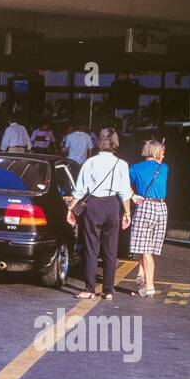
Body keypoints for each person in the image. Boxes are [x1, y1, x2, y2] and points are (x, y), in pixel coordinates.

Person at [66, 127, 132, 301]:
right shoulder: (122, 164)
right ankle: (108, 290)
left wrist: (70, 208)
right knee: (111, 249)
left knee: (91, 248)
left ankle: (89, 288)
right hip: (112, 205)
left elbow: (80, 190)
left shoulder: (90, 163)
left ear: (99, 142)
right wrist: (127, 214)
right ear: (115, 142)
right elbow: (125, 192)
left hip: (94, 205)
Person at [128, 139, 169, 298]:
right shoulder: (164, 168)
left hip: (145, 206)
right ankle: (141, 278)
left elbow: (122, 183)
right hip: (162, 208)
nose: (164, 156)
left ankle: (149, 287)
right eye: (163, 152)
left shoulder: (136, 168)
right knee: (148, 249)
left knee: (144, 251)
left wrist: (132, 195)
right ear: (157, 152)